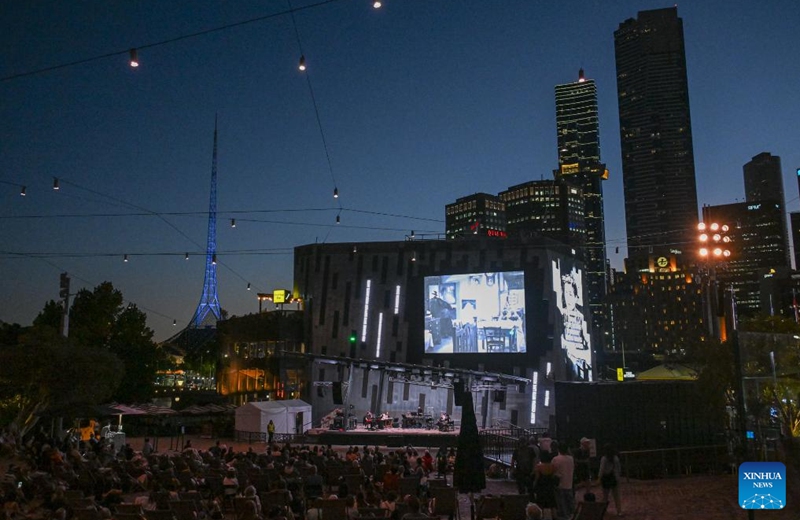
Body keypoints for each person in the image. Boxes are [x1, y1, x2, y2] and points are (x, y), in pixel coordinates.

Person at [552, 443, 575, 520]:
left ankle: (564, 517)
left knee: (561, 504)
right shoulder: (571, 458)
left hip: (559, 484)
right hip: (569, 483)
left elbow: (553, 470)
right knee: (570, 502)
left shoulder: (556, 459)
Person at [598, 444, 622, 516]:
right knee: (616, 496)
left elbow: (601, 470)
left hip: (606, 479)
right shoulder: (616, 458)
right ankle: (619, 511)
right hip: (614, 478)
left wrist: (599, 478)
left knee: (605, 496)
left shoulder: (604, 458)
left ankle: (604, 511)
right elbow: (619, 469)